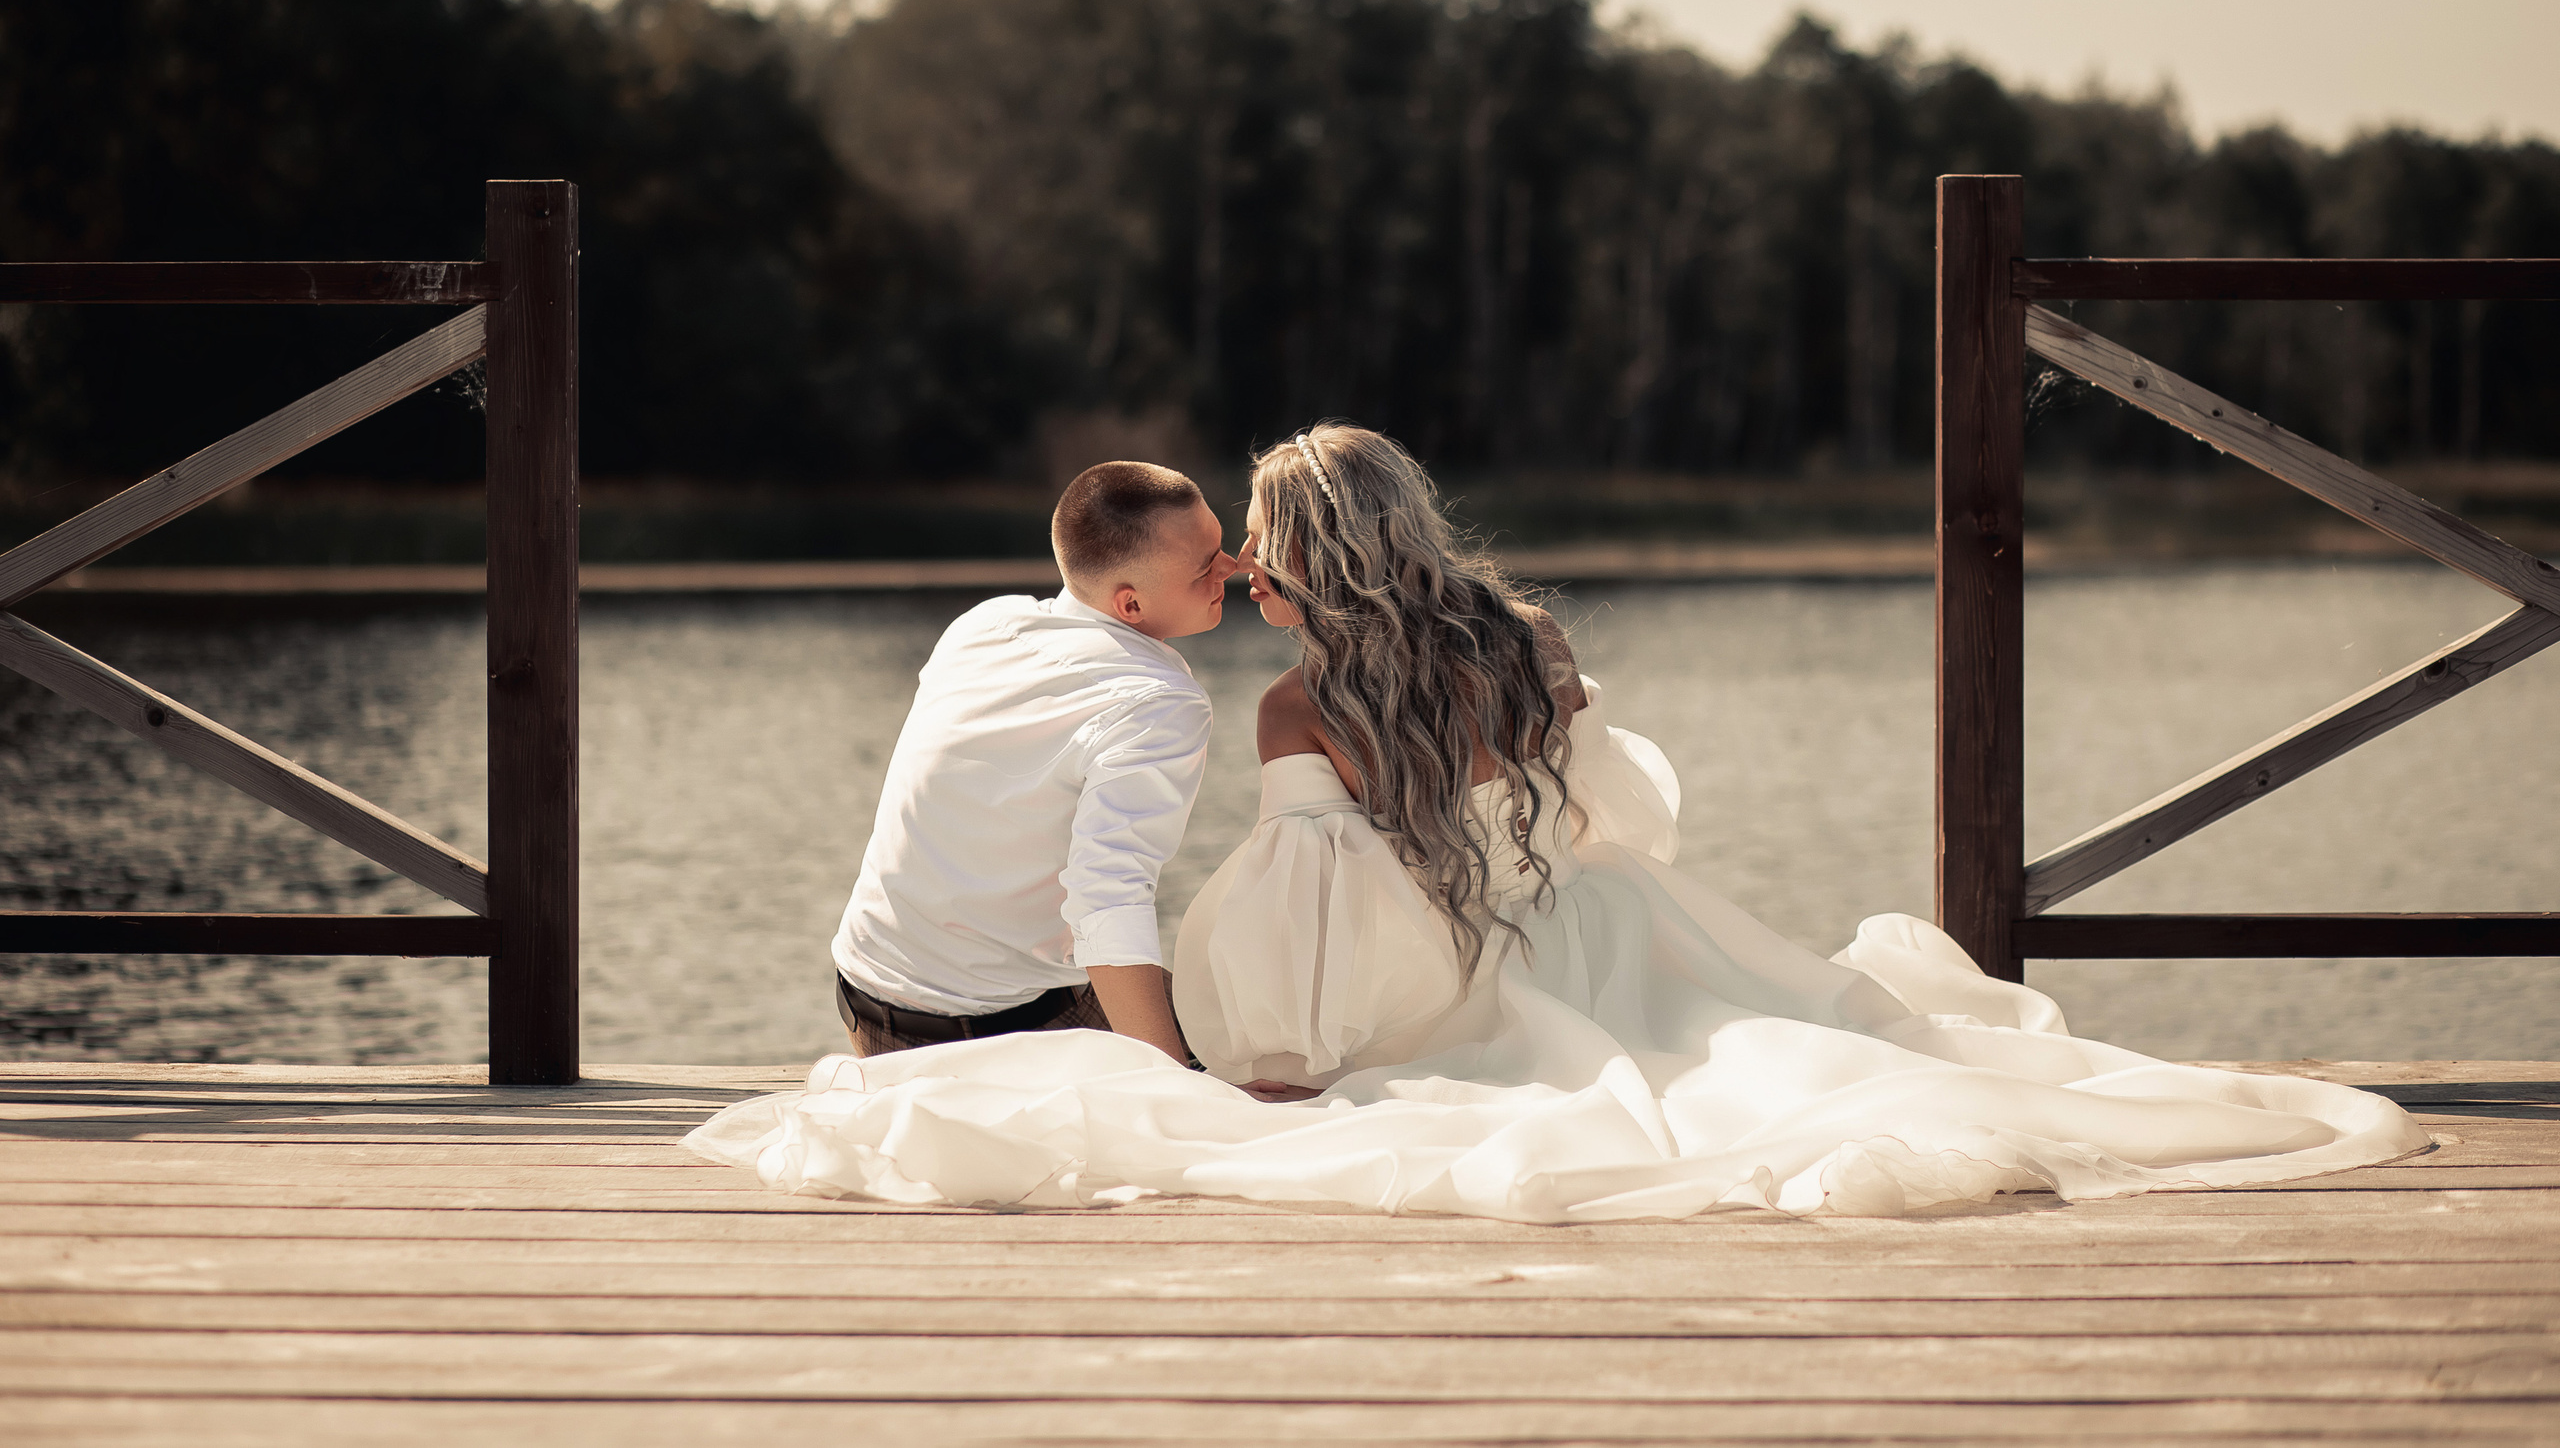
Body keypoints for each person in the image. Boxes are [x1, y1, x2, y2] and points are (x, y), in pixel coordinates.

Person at [691, 426, 2426, 1222]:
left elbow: (1305, 920)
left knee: (1407, 1071)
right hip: (1595, 924)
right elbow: (1616, 816)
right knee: (1769, 1030)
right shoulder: (1527, 646)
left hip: (1416, 971)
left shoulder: (1296, 707)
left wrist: (1257, 1062)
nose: (1239, 571)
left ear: (1306, 564)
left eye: (1257, 549)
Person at [822, 460, 1233, 1064]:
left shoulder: (983, 625)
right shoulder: (1159, 702)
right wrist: (1182, 1086)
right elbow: (1109, 901)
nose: (1233, 567)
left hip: (866, 1001)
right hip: (1000, 1032)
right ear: (1131, 604)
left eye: (1221, 547)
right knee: (1254, 1044)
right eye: (1206, 567)